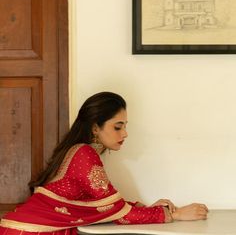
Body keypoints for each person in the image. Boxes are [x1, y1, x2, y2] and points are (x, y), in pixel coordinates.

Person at [0, 92, 208, 235]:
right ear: (95, 128)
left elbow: (108, 207)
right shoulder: (84, 153)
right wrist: (177, 214)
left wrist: (145, 209)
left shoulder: (78, 151)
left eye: (125, 126)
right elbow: (118, 212)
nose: (125, 133)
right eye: (117, 127)